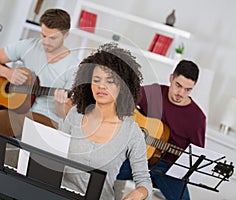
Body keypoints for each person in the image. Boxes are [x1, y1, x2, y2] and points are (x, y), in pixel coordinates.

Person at [0, 8, 79, 158]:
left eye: (52, 38)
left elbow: (64, 114)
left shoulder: (74, 66)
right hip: (18, 109)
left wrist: (60, 102)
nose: (45, 42)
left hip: (47, 118)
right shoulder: (29, 45)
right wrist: (8, 73)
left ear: (66, 35)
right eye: (43, 35)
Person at [59, 43, 152, 200]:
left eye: (110, 81)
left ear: (123, 86)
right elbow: (55, 154)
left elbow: (144, 180)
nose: (101, 86)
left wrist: (139, 193)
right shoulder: (75, 114)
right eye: (96, 80)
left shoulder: (131, 132)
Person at [117, 60, 206, 200]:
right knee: (101, 169)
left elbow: (196, 156)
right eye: (178, 85)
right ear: (171, 78)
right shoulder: (154, 92)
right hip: (136, 157)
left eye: (187, 90)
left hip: (167, 168)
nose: (181, 93)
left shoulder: (197, 118)